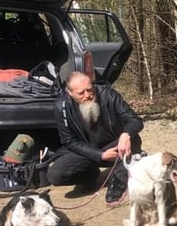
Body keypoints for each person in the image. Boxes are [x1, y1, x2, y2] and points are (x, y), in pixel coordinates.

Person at [47, 71, 143, 205]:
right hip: (89, 151)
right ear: (69, 92)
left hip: (116, 147)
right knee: (55, 175)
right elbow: (68, 141)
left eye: (89, 89)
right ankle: (89, 176)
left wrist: (125, 135)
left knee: (132, 139)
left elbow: (135, 120)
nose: (87, 95)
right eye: (81, 93)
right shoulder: (61, 106)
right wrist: (99, 155)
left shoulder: (108, 95)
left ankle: (119, 180)